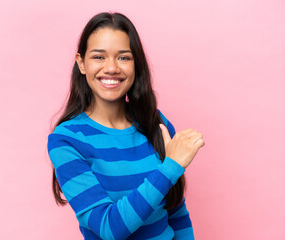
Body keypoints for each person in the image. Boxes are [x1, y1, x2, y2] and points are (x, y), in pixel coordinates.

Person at [47, 12, 205, 240]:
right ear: (81, 63)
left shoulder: (156, 123)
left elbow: (175, 210)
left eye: (123, 57)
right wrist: (171, 167)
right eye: (99, 57)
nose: (111, 68)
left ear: (136, 64)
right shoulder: (67, 140)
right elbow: (108, 229)